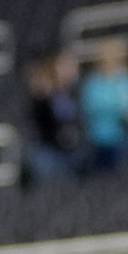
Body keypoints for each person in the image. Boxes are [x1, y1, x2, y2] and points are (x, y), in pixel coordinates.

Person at [75, 36, 128, 173]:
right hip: (97, 138)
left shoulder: (126, 80)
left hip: (122, 137)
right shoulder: (93, 83)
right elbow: (89, 106)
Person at [23, 48, 81, 184]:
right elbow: (39, 118)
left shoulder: (76, 93)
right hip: (48, 149)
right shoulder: (43, 97)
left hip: (75, 148)